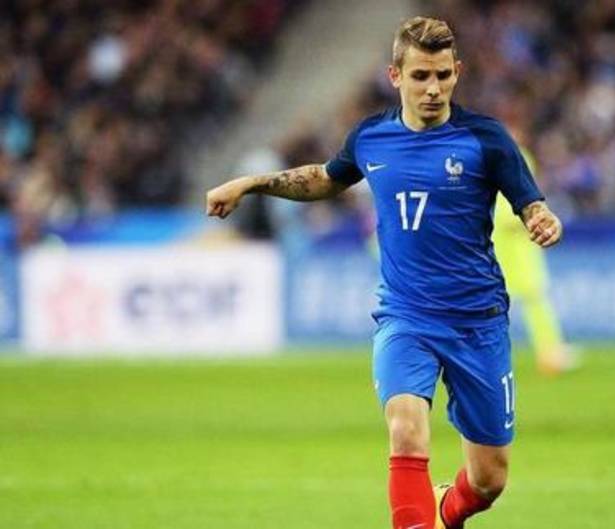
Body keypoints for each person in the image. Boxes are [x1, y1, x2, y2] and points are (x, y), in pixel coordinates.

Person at [206, 16, 562, 529]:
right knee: (406, 430)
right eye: (420, 76)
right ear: (395, 76)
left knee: (489, 479)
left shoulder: (486, 140)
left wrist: (543, 219)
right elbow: (323, 179)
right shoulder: (371, 137)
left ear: (457, 72)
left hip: (477, 321)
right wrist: (250, 183)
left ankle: (445, 511)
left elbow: (531, 204)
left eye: (442, 75)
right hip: (406, 317)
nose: (433, 88)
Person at [492, 126, 579, 376]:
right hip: (514, 244)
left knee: (511, 301)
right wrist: (530, 220)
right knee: (531, 299)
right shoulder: (515, 157)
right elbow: (517, 202)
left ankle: (550, 351)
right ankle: (551, 353)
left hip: (506, 243)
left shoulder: (496, 156)